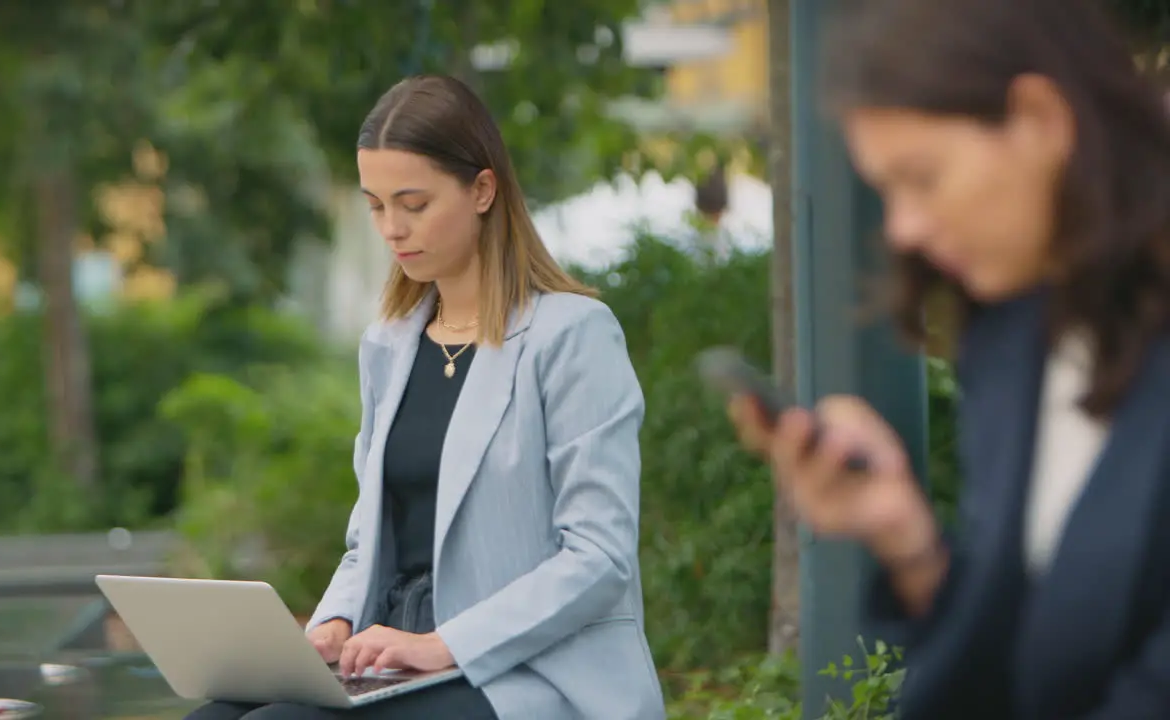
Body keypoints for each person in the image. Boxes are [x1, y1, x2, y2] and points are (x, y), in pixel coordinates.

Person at [729, 1, 1170, 718]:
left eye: (922, 177)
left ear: (1039, 119)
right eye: (887, 190)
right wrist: (905, 539)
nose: (903, 227)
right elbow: (1025, 656)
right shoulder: (1014, 337)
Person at [185, 75, 664, 720]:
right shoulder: (388, 345)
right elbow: (367, 541)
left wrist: (444, 645)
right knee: (214, 715)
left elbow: (598, 558)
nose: (391, 227)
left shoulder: (571, 335)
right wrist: (334, 623)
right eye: (376, 205)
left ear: (483, 191)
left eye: (413, 203)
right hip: (393, 656)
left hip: (526, 672)